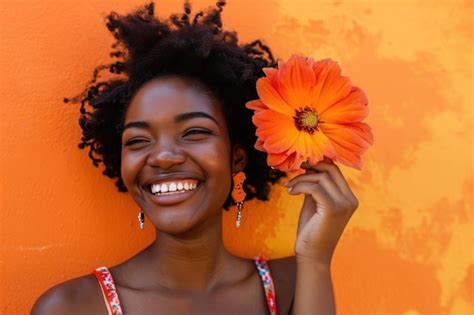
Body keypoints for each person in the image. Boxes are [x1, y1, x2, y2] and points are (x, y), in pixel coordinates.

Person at [31, 1, 359, 314]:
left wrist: (316, 261)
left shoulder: (292, 285)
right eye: (139, 139)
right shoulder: (72, 308)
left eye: (194, 133)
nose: (163, 156)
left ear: (237, 157)